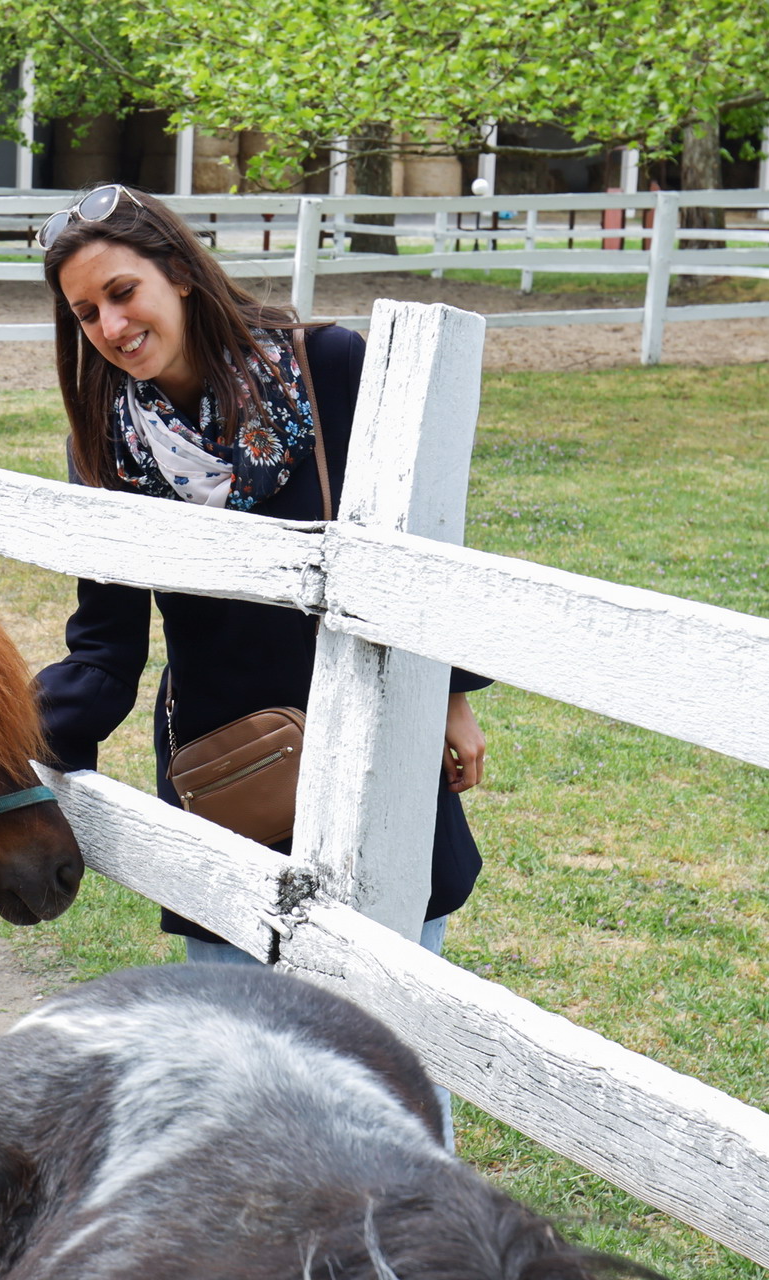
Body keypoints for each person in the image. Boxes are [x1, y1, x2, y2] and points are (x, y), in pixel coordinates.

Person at [33, 185, 491, 1136]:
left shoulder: (329, 367)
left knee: (394, 1059)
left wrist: (449, 696)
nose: (112, 327)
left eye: (123, 292)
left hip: (377, 742)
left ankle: (418, 1265)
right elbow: (107, 638)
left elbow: (421, 547)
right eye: (87, 314)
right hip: (225, 770)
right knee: (249, 1081)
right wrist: (20, 738)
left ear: (180, 275)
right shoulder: (105, 445)